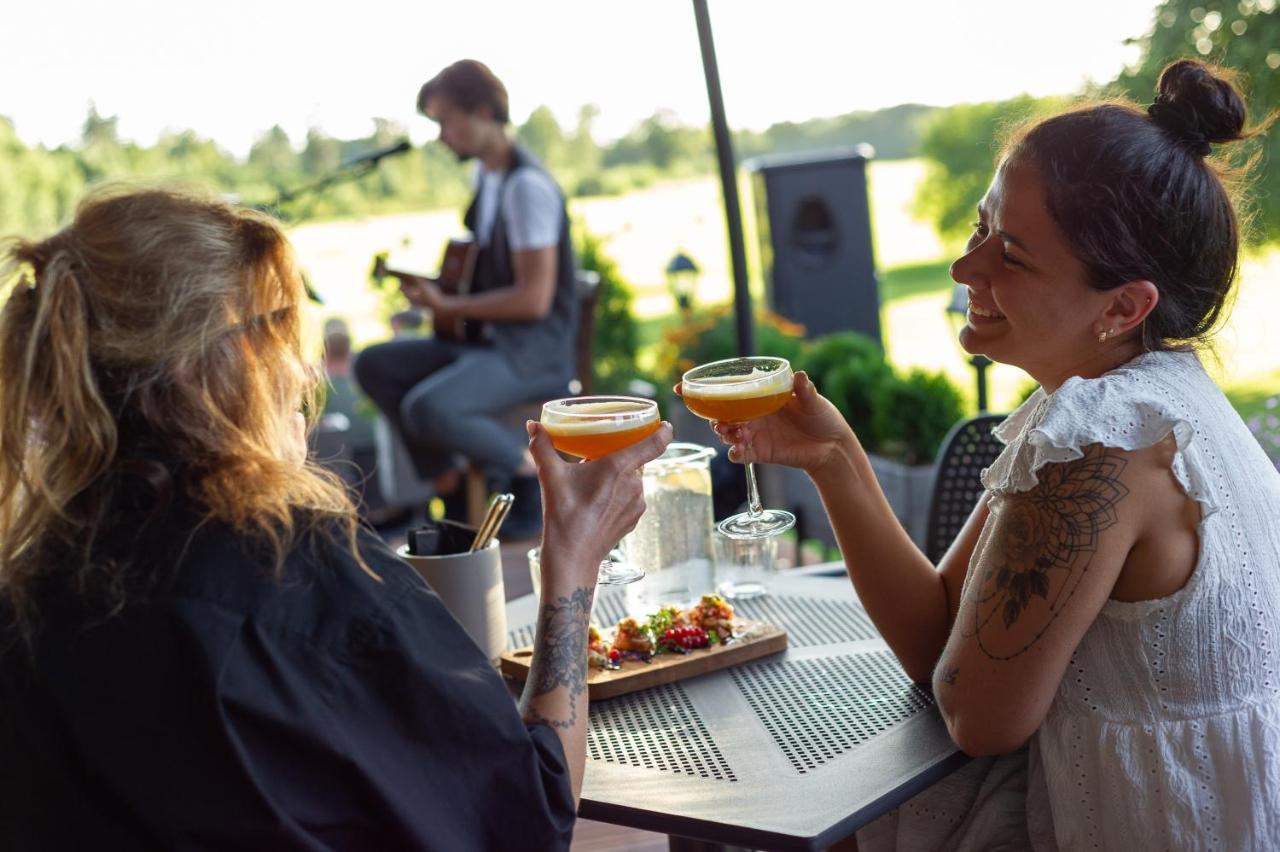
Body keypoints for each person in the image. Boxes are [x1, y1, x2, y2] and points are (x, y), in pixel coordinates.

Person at [702, 60, 1280, 849]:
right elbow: (939, 638)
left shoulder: (1099, 439)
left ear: (1122, 306)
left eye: (1010, 253)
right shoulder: (1143, 393)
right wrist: (836, 456)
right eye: (982, 227)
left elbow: (977, 717)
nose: (963, 267)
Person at [0, 186, 672, 849]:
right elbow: (530, 814)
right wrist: (572, 563)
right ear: (207, 366)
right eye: (273, 329)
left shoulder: (30, 585)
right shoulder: (301, 572)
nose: (297, 369)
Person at [355, 59, 578, 539]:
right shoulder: (487, 180)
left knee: (427, 408)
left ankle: (526, 471)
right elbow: (483, 275)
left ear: (482, 112)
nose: (440, 136)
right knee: (373, 364)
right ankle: (449, 481)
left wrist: (449, 308)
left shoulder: (527, 188)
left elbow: (534, 300)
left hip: (532, 355)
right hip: (485, 343)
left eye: (445, 121)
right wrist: (435, 294)